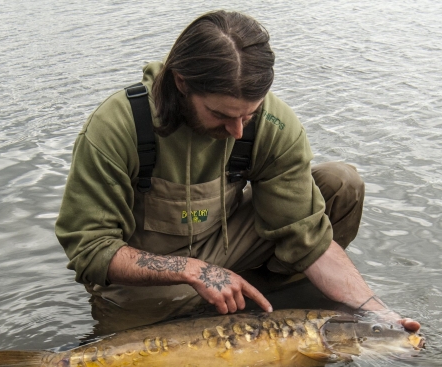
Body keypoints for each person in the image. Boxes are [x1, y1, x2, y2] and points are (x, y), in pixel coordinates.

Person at [55, 10, 420, 332]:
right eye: (222, 115)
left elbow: (310, 240)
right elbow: (90, 249)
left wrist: (378, 313)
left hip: (227, 246)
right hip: (146, 279)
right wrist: (193, 270)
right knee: (132, 356)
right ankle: (209, 299)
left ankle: (266, 294)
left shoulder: (272, 123)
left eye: (249, 115)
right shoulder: (117, 126)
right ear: (182, 83)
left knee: (341, 184)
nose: (238, 131)